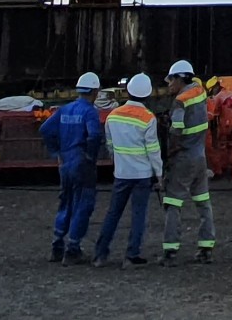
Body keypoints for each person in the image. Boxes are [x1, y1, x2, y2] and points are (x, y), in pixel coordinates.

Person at [93, 73, 162, 269]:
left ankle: (100, 255)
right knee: (138, 215)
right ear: (147, 94)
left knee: (113, 213)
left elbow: (110, 145)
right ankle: (131, 256)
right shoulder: (148, 118)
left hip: (121, 173)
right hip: (142, 175)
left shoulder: (112, 116)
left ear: (128, 91)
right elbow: (153, 150)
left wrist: (118, 163)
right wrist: (159, 174)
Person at [41, 72, 106, 264]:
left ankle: (57, 245)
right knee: (83, 204)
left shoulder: (64, 109)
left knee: (66, 202)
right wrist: (90, 156)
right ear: (95, 91)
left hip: (65, 163)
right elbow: (94, 136)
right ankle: (73, 248)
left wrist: (57, 152)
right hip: (82, 163)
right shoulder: (90, 112)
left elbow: (45, 129)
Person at [158, 60, 217, 265]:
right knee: (203, 202)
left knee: (173, 203)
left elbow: (177, 132)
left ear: (179, 78)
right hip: (200, 157)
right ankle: (206, 248)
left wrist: (169, 155)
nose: (169, 85)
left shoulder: (180, 100)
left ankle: (170, 251)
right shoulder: (200, 91)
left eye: (170, 80)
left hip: (183, 157)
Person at [206, 76, 232, 177]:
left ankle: (222, 168)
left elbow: (213, 114)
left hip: (226, 124)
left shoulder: (218, 97)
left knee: (222, 146)